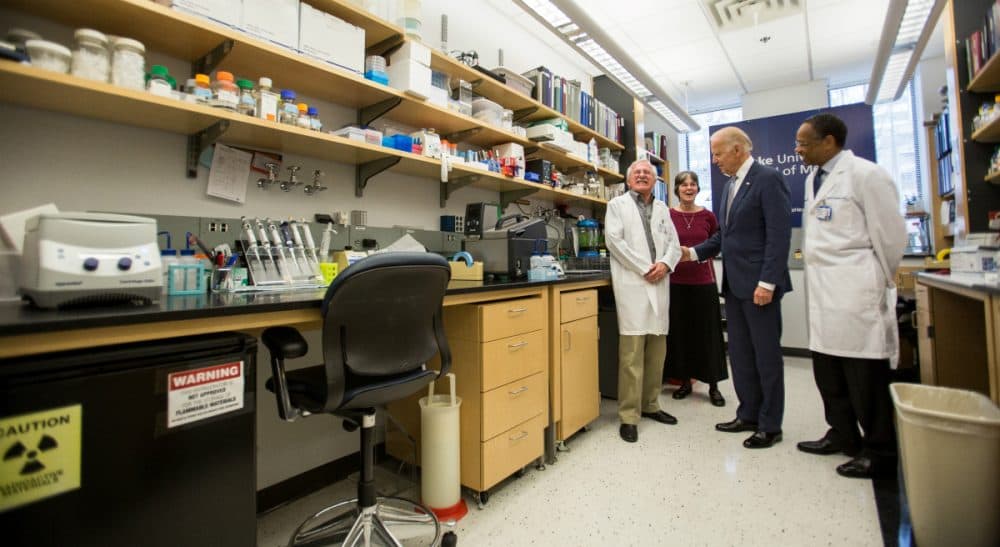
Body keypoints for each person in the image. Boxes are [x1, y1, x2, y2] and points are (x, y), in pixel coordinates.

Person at [794, 113, 906, 479]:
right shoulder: (815, 179)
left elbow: (890, 236)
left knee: (864, 377)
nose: (798, 150)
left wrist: (877, 279)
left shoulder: (866, 175)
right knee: (829, 372)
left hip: (857, 289)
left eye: (804, 143)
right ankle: (842, 435)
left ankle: (879, 450)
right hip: (824, 291)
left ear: (829, 142)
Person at [681, 126, 792, 449]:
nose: (714, 160)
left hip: (760, 286)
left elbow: (778, 235)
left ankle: (770, 425)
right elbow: (725, 237)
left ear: (738, 150)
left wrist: (768, 281)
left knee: (766, 357)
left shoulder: (767, 178)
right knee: (741, 356)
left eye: (718, 153)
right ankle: (749, 414)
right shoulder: (731, 185)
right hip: (735, 286)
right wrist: (692, 252)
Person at [605, 158, 682, 443]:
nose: (642, 175)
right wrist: (645, 267)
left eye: (647, 173)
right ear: (628, 180)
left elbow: (674, 244)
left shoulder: (663, 208)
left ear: (654, 180)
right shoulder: (617, 206)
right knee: (631, 357)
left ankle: (651, 405)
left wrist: (664, 264)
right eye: (637, 172)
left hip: (660, 283)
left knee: (656, 353)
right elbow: (615, 242)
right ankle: (628, 415)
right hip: (634, 284)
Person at [664, 171, 728, 407]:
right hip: (676, 284)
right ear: (677, 189)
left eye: (693, 185)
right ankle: (685, 382)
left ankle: (713, 385)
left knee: (708, 335)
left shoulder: (708, 217)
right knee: (681, 335)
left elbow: (716, 245)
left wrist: (693, 254)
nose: (688, 188)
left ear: (698, 189)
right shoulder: (668, 215)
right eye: (684, 185)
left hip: (704, 283)